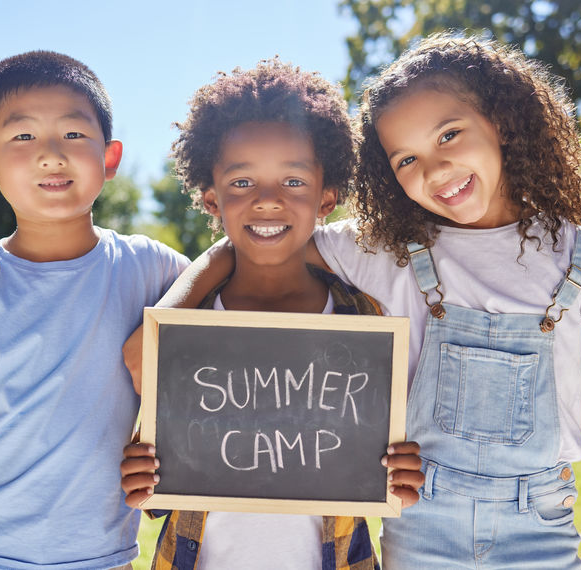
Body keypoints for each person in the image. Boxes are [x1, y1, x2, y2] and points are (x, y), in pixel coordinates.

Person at [134, 34, 581, 568]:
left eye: (449, 134)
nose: (435, 169)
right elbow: (257, 236)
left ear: (502, 121)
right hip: (421, 528)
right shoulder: (387, 249)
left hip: (542, 527)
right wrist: (166, 323)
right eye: (406, 158)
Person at [119, 59, 424, 570]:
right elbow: (155, 473)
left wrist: (399, 476)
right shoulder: (186, 331)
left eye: (293, 182)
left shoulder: (367, 318)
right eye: (241, 184)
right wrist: (140, 475)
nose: (267, 201)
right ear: (211, 198)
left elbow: (386, 458)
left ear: (327, 197)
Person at [0, 51, 188, 570]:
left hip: (101, 557)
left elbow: (236, 279)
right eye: (23, 137)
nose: (52, 155)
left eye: (74, 135)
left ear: (110, 158)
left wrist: (178, 309)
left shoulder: (154, 271)